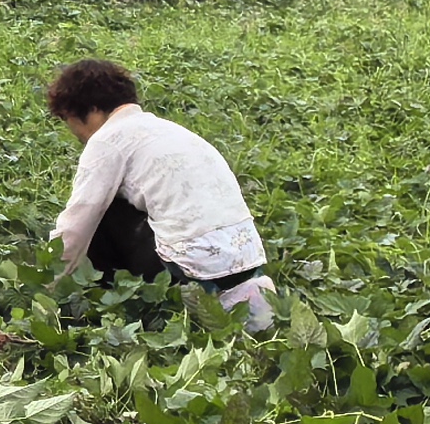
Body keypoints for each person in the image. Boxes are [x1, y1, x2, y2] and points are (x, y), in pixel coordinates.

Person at [45, 58, 274, 332]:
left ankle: (114, 306)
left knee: (103, 214)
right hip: (247, 262)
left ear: (89, 109)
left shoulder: (108, 140)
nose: (74, 133)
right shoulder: (171, 131)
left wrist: (47, 284)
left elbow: (76, 227)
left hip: (191, 274)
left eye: (68, 120)